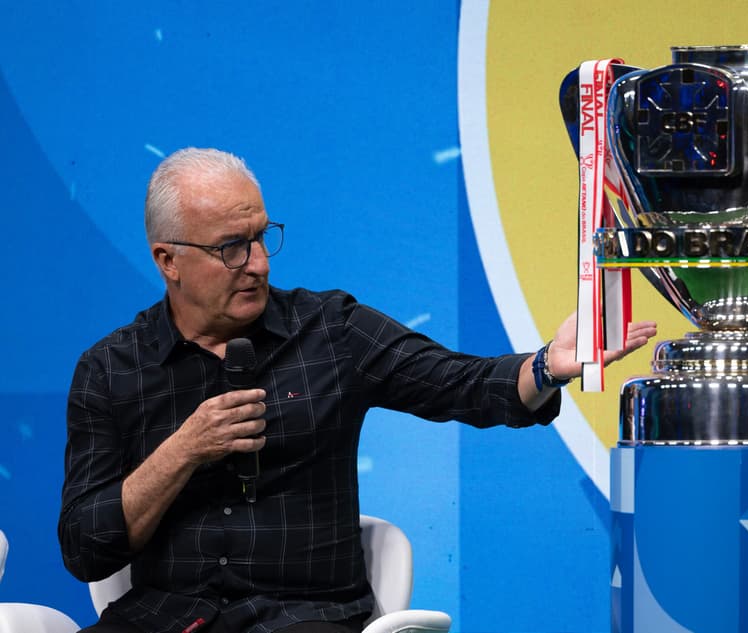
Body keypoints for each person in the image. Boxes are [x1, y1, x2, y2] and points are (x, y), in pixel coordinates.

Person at [58, 148, 658, 633]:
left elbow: (463, 384)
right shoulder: (112, 369)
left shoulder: (332, 332)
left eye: (262, 237)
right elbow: (86, 548)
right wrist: (182, 451)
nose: (259, 263)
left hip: (302, 617)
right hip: (165, 618)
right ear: (168, 260)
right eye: (232, 248)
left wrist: (548, 365)